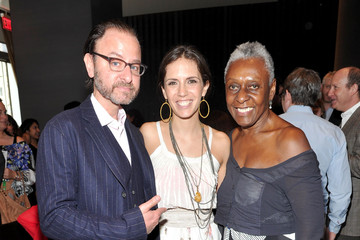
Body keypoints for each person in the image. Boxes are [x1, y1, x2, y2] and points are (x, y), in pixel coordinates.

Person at [36, 19, 166, 239]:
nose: (128, 76)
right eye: (116, 62)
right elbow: (54, 218)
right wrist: (127, 227)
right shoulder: (62, 130)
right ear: (90, 64)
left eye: (134, 66)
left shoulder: (135, 134)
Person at [214, 41, 324, 240]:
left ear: (272, 89)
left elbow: (311, 230)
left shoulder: (290, 141)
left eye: (253, 86)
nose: (241, 97)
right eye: (233, 87)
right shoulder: (228, 140)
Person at [140, 45, 230, 239]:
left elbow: (227, 211)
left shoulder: (221, 143)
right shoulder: (149, 135)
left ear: (204, 86)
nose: (182, 92)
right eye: (173, 83)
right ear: (164, 90)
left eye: (191, 81)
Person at [279, 67, 352, 240]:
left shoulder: (267, 127)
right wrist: (333, 228)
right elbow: (340, 190)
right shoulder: (333, 133)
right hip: (313, 221)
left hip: (271, 218)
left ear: (287, 95)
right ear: (316, 97)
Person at [328, 66, 360, 240]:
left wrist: (335, 155)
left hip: (353, 224)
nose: (329, 93)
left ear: (353, 88)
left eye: (336, 87)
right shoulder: (344, 117)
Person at [0, 99, 34, 239]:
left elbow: (32, 177)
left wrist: (14, 174)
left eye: (5, 112)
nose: (4, 117)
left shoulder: (17, 143)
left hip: (15, 210)